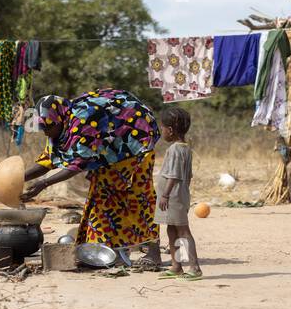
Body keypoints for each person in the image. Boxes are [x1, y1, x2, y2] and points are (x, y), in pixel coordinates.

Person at [22, 90, 161, 266]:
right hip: (109, 152)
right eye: (42, 128)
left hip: (138, 141)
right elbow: (48, 160)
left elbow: (76, 165)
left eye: (48, 127)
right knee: (104, 200)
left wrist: (44, 183)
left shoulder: (82, 122)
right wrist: (18, 179)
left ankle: (154, 252)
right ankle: (112, 252)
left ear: (59, 119)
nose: (46, 132)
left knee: (139, 198)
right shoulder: (58, 127)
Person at [154, 107, 201, 280]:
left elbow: (173, 175)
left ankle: (195, 268)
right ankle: (176, 266)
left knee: (183, 231)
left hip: (172, 197)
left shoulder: (174, 149)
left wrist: (165, 195)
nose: (162, 132)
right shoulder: (185, 148)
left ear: (170, 130)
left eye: (163, 128)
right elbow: (187, 175)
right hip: (178, 196)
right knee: (172, 230)